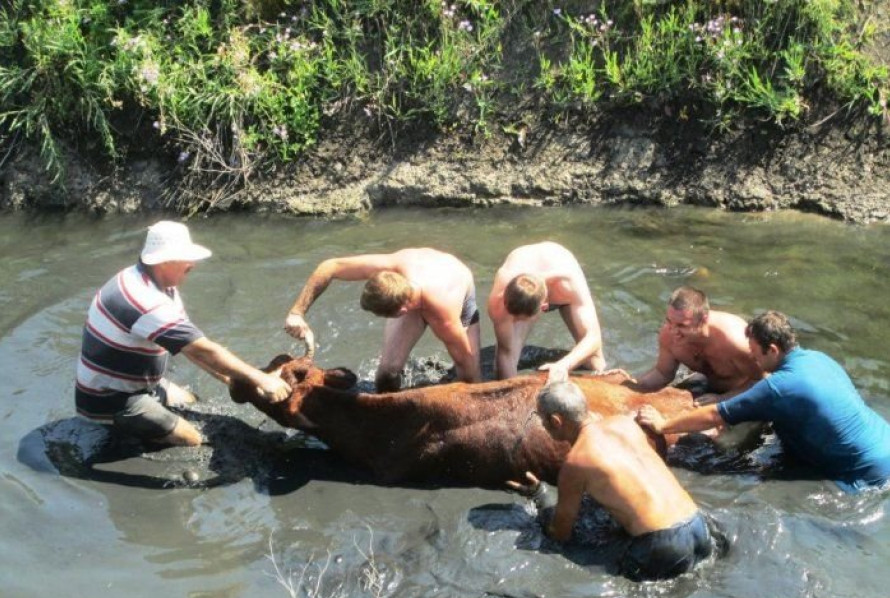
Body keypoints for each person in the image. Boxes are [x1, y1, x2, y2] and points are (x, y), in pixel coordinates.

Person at [75, 220, 291, 447]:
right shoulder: (146, 302)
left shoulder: (153, 284)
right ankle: (121, 433)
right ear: (165, 261)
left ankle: (152, 422)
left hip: (142, 385)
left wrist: (230, 380)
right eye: (186, 258)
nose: (193, 264)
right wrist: (261, 379)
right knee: (193, 440)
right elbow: (204, 350)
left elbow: (191, 348)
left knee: (192, 401)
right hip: (110, 399)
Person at [637, 311, 890, 492]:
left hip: (865, 475)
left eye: (756, 354)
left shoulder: (778, 387)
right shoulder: (818, 358)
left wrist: (663, 425)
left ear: (773, 350)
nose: (754, 360)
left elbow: (715, 414)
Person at [508, 381, 712, 581]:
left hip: (664, 548)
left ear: (556, 421)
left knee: (572, 550)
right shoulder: (625, 424)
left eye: (541, 418)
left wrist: (539, 496)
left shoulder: (576, 462)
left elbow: (560, 533)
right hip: (699, 527)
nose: (542, 425)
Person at [284, 248, 481, 392]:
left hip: (457, 286)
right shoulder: (394, 266)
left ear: (401, 311)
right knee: (388, 372)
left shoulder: (443, 313)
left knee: (470, 378)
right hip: (419, 280)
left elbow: (465, 362)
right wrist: (297, 312)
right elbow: (330, 266)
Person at [487, 241, 606, 382]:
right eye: (515, 318)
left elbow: (593, 338)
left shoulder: (569, 285)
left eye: (522, 319)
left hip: (559, 266)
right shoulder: (501, 296)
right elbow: (505, 353)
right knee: (504, 361)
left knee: (596, 363)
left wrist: (563, 365)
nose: (516, 322)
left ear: (544, 308)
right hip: (521, 279)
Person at [630, 286, 762, 405]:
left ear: (703, 319)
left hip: (741, 394)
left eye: (682, 326)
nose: (673, 331)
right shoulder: (668, 335)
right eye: (669, 322)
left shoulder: (736, 342)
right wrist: (628, 385)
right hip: (706, 385)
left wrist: (723, 399)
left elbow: (763, 382)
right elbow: (662, 374)